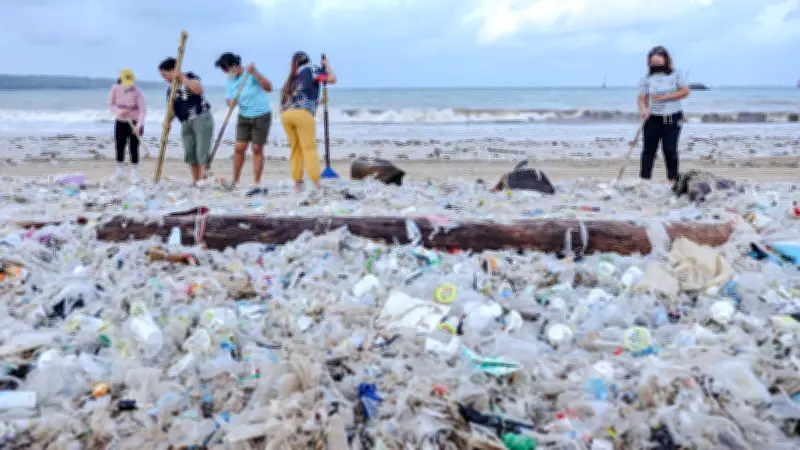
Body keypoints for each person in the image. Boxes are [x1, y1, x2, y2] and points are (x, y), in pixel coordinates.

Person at [280, 51, 337, 193]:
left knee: (296, 149)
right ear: (308, 60)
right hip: (303, 116)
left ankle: (297, 184)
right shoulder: (312, 69)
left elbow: (298, 99)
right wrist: (326, 64)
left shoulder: (292, 77)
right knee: (309, 148)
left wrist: (318, 101)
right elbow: (333, 79)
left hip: (286, 115)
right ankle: (317, 184)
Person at [215, 52, 273, 188]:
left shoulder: (250, 73)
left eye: (226, 70)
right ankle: (235, 180)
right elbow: (229, 97)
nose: (225, 73)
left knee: (257, 148)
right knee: (239, 148)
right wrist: (230, 102)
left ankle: (256, 182)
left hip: (261, 114)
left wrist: (255, 73)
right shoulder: (231, 80)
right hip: (244, 116)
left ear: (234, 66)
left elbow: (268, 87)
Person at [158, 57, 215, 186]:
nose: (164, 78)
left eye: (164, 74)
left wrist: (182, 78)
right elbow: (172, 110)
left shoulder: (189, 77)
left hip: (200, 116)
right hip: (185, 121)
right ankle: (196, 181)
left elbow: (198, 90)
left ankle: (204, 181)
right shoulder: (170, 90)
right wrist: (167, 121)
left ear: (173, 70)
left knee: (202, 151)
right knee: (190, 153)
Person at [637, 46, 690, 182]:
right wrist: (643, 109)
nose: (656, 64)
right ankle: (644, 180)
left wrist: (665, 97)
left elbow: (685, 92)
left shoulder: (676, 74)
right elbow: (642, 98)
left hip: (672, 117)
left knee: (670, 150)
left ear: (666, 60)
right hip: (652, 119)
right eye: (652, 62)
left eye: (658, 62)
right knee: (648, 151)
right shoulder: (646, 79)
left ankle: (672, 180)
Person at [108, 69, 146, 183]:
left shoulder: (138, 92)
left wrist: (138, 126)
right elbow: (110, 105)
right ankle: (119, 173)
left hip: (135, 122)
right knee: (120, 146)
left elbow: (143, 111)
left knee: (133, 147)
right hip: (121, 122)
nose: (128, 84)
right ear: (121, 79)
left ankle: (134, 174)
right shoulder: (115, 89)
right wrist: (119, 111)